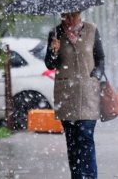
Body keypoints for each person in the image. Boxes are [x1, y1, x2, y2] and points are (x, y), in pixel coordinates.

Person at [45, 11, 105, 179]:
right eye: (66, 16)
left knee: (86, 137)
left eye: (74, 15)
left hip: (88, 93)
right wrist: (53, 51)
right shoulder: (55, 33)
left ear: (80, 14)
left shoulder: (92, 30)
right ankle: (77, 176)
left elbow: (100, 59)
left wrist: (96, 75)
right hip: (67, 94)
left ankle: (90, 176)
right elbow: (50, 65)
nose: (70, 19)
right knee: (72, 143)